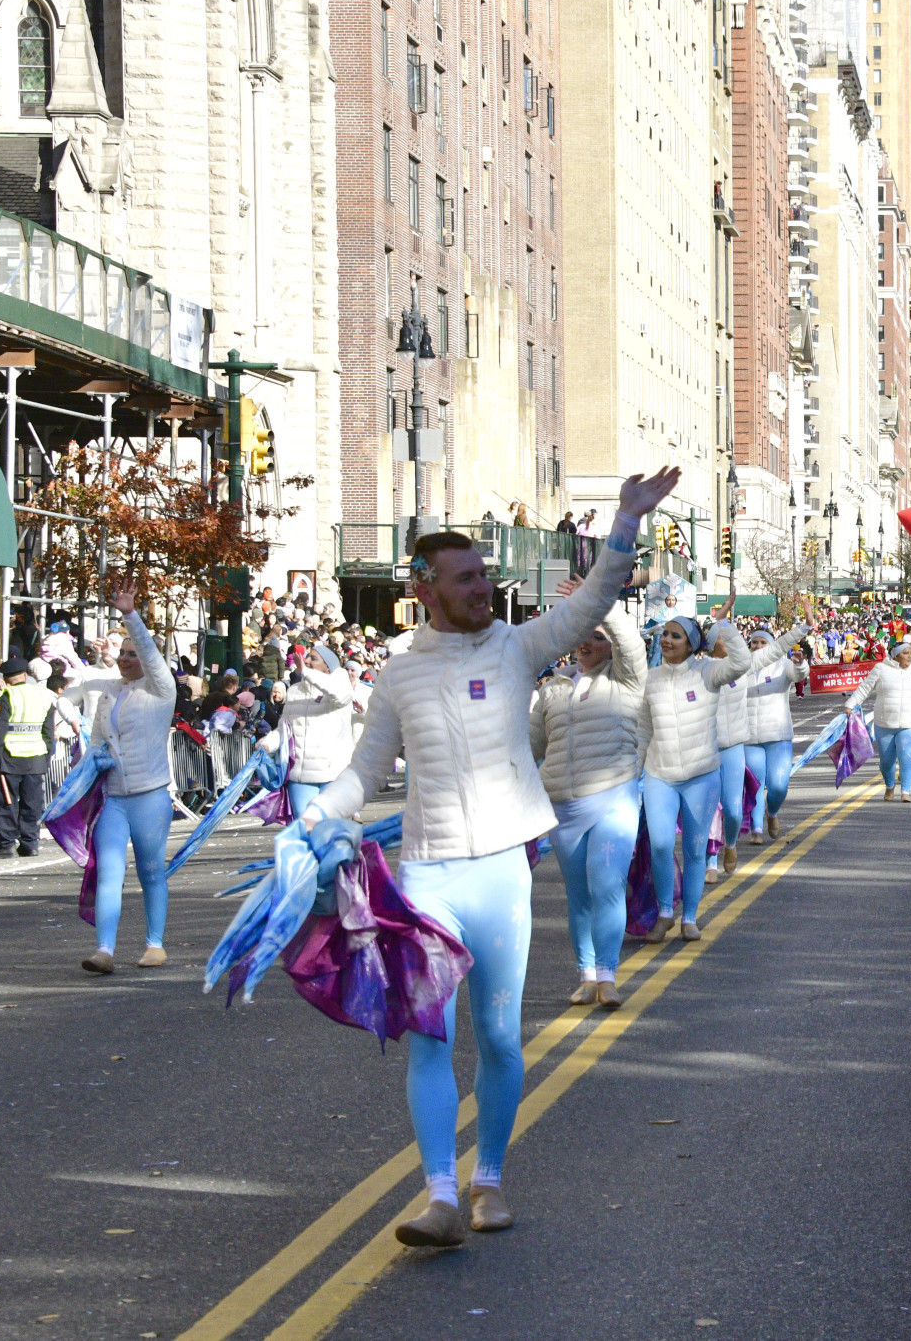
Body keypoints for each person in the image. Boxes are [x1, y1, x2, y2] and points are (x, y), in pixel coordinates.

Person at [307, 467, 673, 1248]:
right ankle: (440, 1191)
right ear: (426, 587)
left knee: (500, 1037)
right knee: (429, 1035)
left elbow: (594, 599)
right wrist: (315, 811)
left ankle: (490, 1181)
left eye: (484, 575)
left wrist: (626, 524)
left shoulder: (518, 646)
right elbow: (365, 772)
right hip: (429, 873)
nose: (483, 586)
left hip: (503, 868)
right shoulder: (399, 675)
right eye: (467, 577)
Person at [637, 614, 795, 937]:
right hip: (660, 775)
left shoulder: (709, 672)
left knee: (696, 849)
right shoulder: (650, 679)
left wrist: (726, 625)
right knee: (662, 845)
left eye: (676, 636)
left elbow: (741, 662)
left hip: (701, 776)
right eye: (665, 634)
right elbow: (642, 731)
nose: (667, 640)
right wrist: (630, 775)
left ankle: (689, 918)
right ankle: (665, 911)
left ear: (692, 644)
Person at [55, 582, 180, 974]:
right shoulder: (109, 693)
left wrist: (130, 615)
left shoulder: (162, 690)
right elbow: (96, 742)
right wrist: (84, 774)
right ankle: (104, 950)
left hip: (150, 797)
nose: (126, 659)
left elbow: (148, 653)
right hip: (113, 798)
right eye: (121, 654)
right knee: (109, 870)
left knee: (150, 870)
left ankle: (154, 945)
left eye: (132, 654)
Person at [529, 594, 647, 1008]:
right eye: (582, 636)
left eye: (596, 637)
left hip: (613, 799)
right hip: (563, 806)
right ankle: (587, 974)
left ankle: (610, 976)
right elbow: (528, 748)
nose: (586, 643)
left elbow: (631, 643)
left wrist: (603, 604)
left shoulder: (628, 679)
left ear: (610, 643)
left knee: (607, 886)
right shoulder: (553, 690)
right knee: (579, 896)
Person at [719, 626, 808, 847]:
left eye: (763, 643)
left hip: (778, 735)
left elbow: (798, 674)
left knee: (778, 786)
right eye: (754, 643)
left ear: (771, 646)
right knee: (755, 785)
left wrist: (800, 664)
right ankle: (757, 828)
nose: (758, 647)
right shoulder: (741, 668)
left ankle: (773, 811)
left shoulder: (783, 666)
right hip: (749, 738)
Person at [849, 639, 911, 802]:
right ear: (895, 656)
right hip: (885, 723)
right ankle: (889, 786)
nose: (910, 656)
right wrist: (850, 705)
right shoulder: (880, 669)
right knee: (886, 761)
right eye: (905, 653)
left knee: (906, 756)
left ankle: (906, 791)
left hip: (909, 723)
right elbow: (864, 689)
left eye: (910, 653)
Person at [267, 644, 357, 819]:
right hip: (301, 774)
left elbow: (340, 694)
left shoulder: (341, 687)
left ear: (328, 667)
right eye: (307, 657)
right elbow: (284, 729)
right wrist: (266, 745)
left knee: (329, 828)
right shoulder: (293, 692)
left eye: (313, 659)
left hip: (334, 773)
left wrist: (307, 672)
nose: (306, 661)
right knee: (305, 825)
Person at [0, 655, 54, 858]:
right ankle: (30, 843)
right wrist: (46, 757)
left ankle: (6, 845)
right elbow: (48, 732)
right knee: (32, 803)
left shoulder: (6, 697)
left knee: (5, 803)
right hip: (35, 759)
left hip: (8, 759)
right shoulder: (44, 696)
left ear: (5, 679)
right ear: (25, 675)